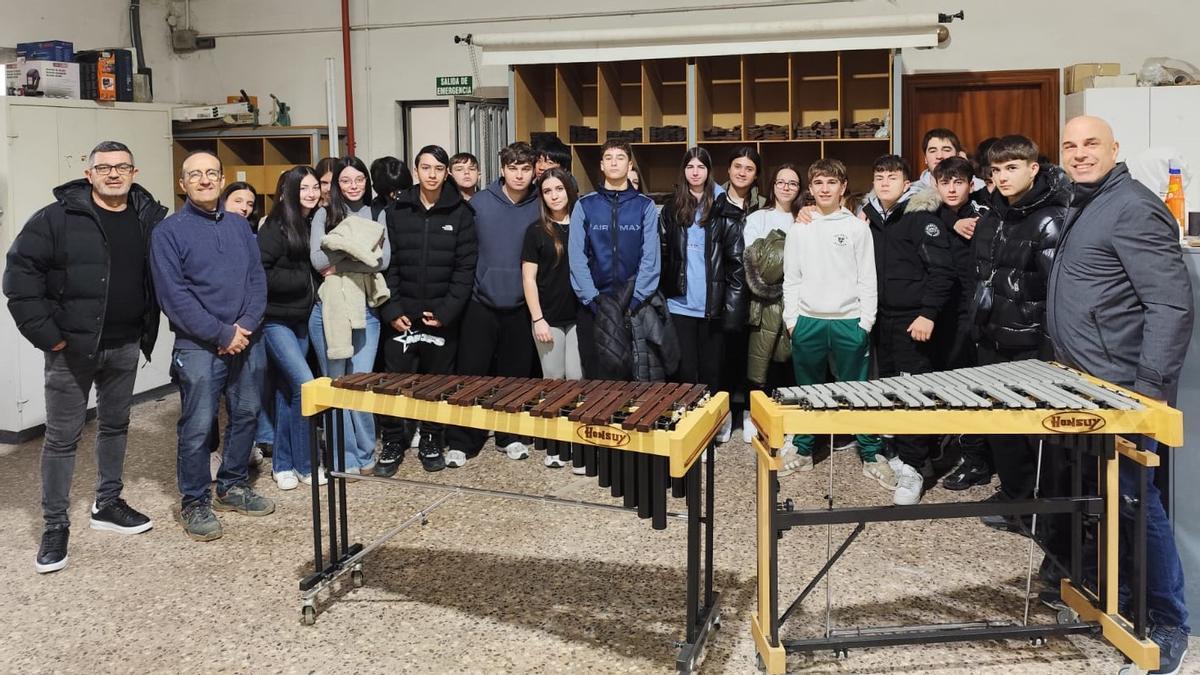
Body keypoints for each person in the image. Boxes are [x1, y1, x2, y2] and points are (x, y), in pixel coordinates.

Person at [1049, 115, 1192, 675]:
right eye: (1070, 145)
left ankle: (1168, 623)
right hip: (1088, 385)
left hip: (1126, 388)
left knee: (1135, 502)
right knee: (1107, 498)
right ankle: (1120, 599)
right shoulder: (1086, 201)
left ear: (1115, 149)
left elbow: (1171, 304)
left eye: (1091, 144)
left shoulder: (1133, 205)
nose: (1079, 153)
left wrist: (1149, 393)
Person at [4, 140, 166, 572]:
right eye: (104, 167)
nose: (113, 173)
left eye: (122, 167)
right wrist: (49, 336)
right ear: (88, 173)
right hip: (71, 349)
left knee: (115, 426)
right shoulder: (55, 218)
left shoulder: (147, 217)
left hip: (126, 343)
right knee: (62, 438)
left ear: (134, 173)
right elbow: (20, 277)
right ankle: (55, 525)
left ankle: (107, 503)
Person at [150, 150, 274, 542]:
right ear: (182, 183)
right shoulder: (168, 233)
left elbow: (257, 280)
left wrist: (245, 327)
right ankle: (195, 501)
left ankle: (232, 485)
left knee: (247, 414)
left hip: (247, 339)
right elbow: (174, 297)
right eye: (195, 175)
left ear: (221, 180)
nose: (204, 180)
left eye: (211, 174)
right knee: (198, 426)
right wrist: (222, 334)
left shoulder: (239, 226)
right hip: (198, 346)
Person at [968, 136, 1067, 518]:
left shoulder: (1051, 219)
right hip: (991, 335)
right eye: (997, 170)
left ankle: (1043, 511)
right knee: (999, 425)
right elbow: (980, 275)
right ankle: (1015, 497)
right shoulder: (992, 215)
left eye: (1012, 168)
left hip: (1030, 342)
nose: (1003, 177)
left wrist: (1048, 347)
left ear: (1033, 168)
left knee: (1035, 431)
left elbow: (1057, 291)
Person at [781, 159, 891, 488]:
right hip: (808, 322)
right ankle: (803, 450)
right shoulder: (799, 228)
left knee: (857, 391)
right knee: (807, 391)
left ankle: (871, 454)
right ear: (810, 188)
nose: (825, 189)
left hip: (848, 322)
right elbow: (791, 278)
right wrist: (792, 321)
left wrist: (865, 323)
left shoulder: (857, 228)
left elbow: (867, 279)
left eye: (831, 182)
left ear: (843, 187)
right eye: (818, 183)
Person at [377, 145, 477, 474]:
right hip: (401, 317)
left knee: (437, 384)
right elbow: (385, 266)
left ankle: (432, 438)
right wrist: (391, 309)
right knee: (394, 382)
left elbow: (465, 269)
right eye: (425, 167)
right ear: (416, 170)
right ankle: (393, 441)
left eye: (438, 168)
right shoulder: (396, 210)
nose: (432, 174)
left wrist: (447, 312)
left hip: (440, 318)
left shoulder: (461, 213)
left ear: (446, 173)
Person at [862, 155, 956, 505]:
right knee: (890, 389)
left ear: (906, 184)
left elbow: (942, 272)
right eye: (879, 176)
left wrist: (928, 314)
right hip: (880, 320)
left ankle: (915, 466)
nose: (885, 182)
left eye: (892, 177)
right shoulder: (870, 219)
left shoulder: (921, 219)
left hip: (913, 321)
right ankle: (905, 454)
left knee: (913, 392)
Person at [447, 142, 540, 466]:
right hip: (480, 302)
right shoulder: (480, 203)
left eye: (525, 169)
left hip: (520, 304)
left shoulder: (539, 204)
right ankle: (462, 441)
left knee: (515, 377)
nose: (519, 175)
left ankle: (509, 436)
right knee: (471, 374)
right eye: (513, 168)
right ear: (502, 170)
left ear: (533, 171)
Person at [308, 156, 390, 475]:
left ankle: (365, 452)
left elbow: (382, 262)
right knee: (337, 385)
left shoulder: (378, 213)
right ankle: (344, 457)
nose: (353, 186)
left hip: (367, 311)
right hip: (330, 311)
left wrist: (339, 258)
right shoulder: (324, 213)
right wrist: (360, 254)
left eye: (358, 179)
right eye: (345, 180)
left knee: (361, 384)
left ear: (367, 182)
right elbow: (318, 261)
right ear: (337, 185)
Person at [659, 147, 746, 416]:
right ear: (683, 171)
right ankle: (687, 423)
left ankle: (713, 423)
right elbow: (662, 254)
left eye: (701, 167)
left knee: (712, 372)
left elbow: (736, 265)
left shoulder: (724, 209)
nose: (695, 172)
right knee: (684, 372)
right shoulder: (671, 208)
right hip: (679, 304)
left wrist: (732, 310)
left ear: (709, 171)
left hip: (712, 306)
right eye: (690, 167)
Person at [569, 139, 662, 380]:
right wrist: (592, 300)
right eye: (608, 158)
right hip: (593, 307)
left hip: (633, 306)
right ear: (601, 165)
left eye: (620, 158)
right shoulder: (585, 205)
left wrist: (636, 299)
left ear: (630, 165)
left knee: (633, 379)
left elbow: (650, 258)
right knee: (596, 379)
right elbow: (576, 257)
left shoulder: (645, 206)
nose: (614, 163)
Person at [258, 166, 325, 490]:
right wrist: (306, 279)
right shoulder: (276, 226)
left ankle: (283, 465)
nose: (311, 194)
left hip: (301, 319)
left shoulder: (313, 223)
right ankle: (307, 464)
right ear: (288, 192)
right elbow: (261, 272)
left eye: (315, 187)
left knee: (289, 393)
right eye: (304, 188)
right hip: (275, 321)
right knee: (306, 385)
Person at [931, 156, 993, 490]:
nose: (952, 189)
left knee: (971, 389)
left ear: (971, 185)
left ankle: (976, 461)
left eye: (959, 182)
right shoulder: (934, 214)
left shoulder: (981, 214)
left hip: (973, 315)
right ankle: (955, 449)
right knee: (948, 387)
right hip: (941, 315)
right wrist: (950, 221)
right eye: (945, 183)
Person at [521, 167, 582, 468]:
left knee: (578, 379)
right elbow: (528, 279)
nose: (554, 195)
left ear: (569, 190)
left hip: (580, 316)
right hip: (549, 318)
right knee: (554, 381)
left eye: (559, 189)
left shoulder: (582, 225)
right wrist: (538, 319)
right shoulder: (535, 231)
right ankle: (555, 446)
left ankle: (578, 446)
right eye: (547, 191)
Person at [743, 164, 801, 443]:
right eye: (781, 182)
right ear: (773, 185)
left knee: (790, 365)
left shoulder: (805, 217)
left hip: (797, 304)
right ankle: (758, 418)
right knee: (760, 365)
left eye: (793, 183)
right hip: (764, 303)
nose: (786, 187)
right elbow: (761, 265)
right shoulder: (758, 218)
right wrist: (791, 254)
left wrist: (776, 249)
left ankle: (789, 422)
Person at [717, 146, 762, 441]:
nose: (742, 172)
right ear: (729, 169)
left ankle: (748, 411)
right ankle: (723, 414)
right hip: (722, 287)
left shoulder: (763, 204)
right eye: (737, 166)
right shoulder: (714, 201)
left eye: (749, 168)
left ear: (756, 175)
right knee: (723, 355)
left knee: (752, 355)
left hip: (756, 290)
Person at [917, 128, 988, 202]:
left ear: (958, 155)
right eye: (933, 151)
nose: (939, 156)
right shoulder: (913, 191)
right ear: (925, 158)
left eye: (946, 150)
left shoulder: (980, 187)